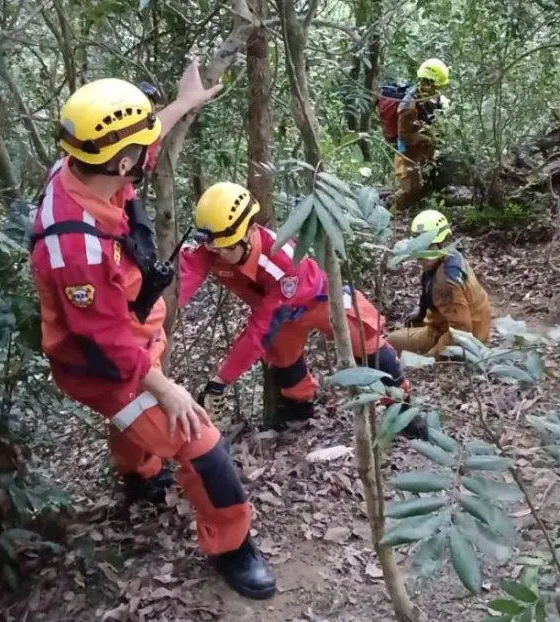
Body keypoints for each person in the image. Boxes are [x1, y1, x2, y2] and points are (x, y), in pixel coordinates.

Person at [28, 61, 276, 600]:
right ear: (120, 161)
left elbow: (132, 138)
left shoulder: (81, 165)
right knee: (201, 444)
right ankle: (232, 546)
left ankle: (139, 475)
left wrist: (184, 103)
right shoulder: (74, 248)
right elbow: (105, 340)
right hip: (104, 366)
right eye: (138, 151)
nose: (147, 154)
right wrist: (167, 388)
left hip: (129, 341)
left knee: (135, 424)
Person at [180, 182, 428, 438]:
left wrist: (221, 380)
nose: (220, 254)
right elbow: (180, 282)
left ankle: (402, 409)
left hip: (315, 300)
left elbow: (259, 330)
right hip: (276, 312)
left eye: (229, 247)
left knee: (365, 338)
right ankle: (299, 409)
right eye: (214, 248)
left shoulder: (281, 263)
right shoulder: (215, 246)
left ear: (250, 231)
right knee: (283, 358)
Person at [387, 210, 492, 357]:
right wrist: (420, 313)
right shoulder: (448, 256)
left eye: (428, 247)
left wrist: (432, 356)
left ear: (441, 243)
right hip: (467, 325)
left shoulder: (446, 283)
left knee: (391, 343)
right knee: (396, 339)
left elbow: (461, 330)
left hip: (467, 338)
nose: (421, 255)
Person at [391, 58, 449, 213]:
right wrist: (427, 138)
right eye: (437, 87)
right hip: (407, 154)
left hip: (423, 153)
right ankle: (386, 211)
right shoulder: (408, 107)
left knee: (426, 184)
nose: (438, 90)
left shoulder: (428, 98)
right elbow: (405, 135)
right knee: (410, 190)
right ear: (427, 83)